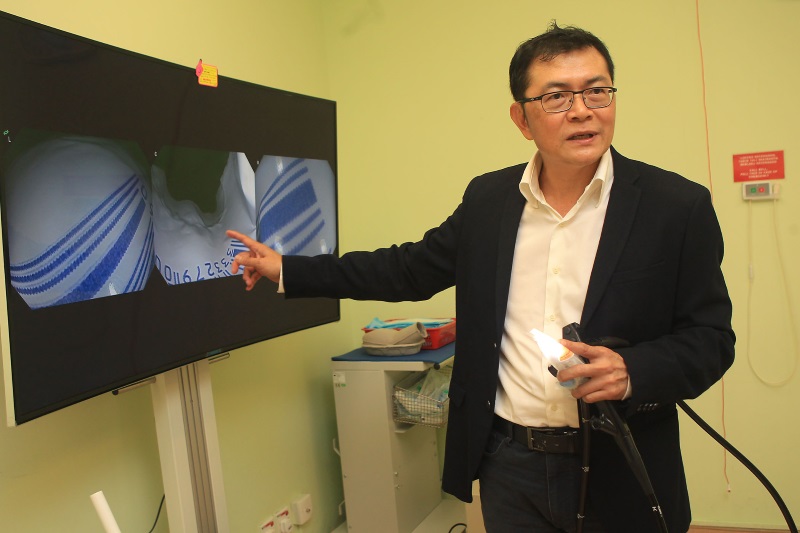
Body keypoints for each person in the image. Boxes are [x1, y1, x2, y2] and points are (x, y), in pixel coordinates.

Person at [227, 22, 734, 533]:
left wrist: (633, 370)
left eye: (596, 90)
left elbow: (711, 339)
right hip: (510, 466)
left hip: (620, 463)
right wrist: (287, 268)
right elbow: (406, 269)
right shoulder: (489, 201)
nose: (582, 110)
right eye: (557, 96)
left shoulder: (676, 207)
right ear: (522, 118)